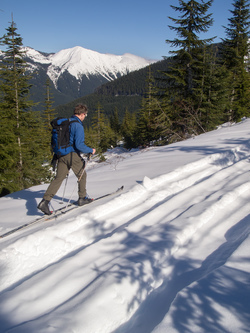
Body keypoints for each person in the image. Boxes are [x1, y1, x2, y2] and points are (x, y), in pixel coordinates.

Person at [37, 103, 96, 215]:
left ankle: (45, 201)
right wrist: (90, 150)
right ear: (82, 114)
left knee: (58, 178)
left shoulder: (67, 122)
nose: (85, 117)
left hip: (61, 155)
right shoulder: (77, 125)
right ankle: (82, 198)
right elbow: (79, 145)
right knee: (82, 175)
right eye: (85, 115)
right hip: (71, 154)